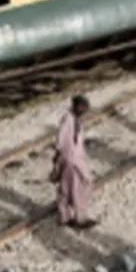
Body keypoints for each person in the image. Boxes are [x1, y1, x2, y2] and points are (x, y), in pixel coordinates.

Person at [53, 95, 95, 229]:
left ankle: (64, 216)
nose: (85, 110)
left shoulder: (75, 120)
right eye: (82, 107)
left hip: (74, 158)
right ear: (75, 106)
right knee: (78, 187)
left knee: (66, 188)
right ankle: (79, 218)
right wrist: (58, 158)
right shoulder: (68, 120)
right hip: (70, 158)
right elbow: (61, 140)